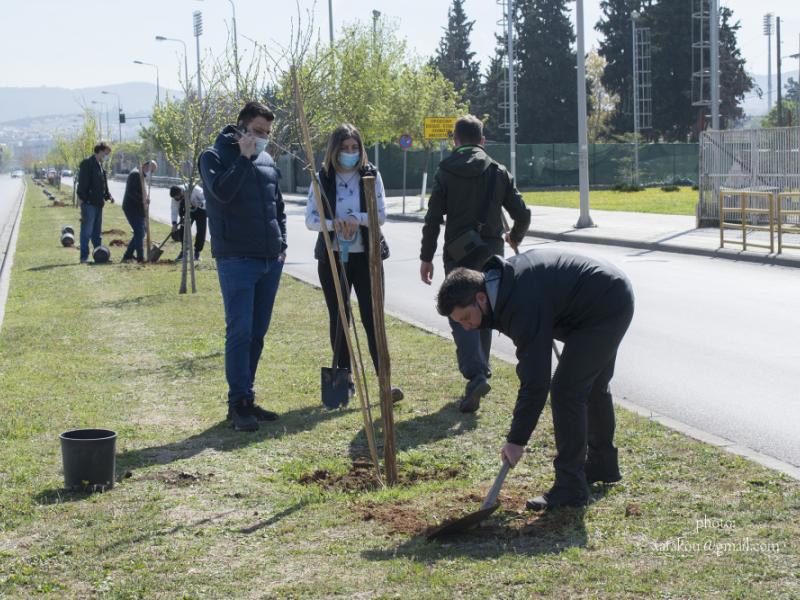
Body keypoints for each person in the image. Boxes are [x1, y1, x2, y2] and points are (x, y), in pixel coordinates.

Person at [436, 248, 635, 511]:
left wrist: (516, 440)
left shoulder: (519, 303)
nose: (466, 327)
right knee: (592, 385)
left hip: (606, 304)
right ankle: (602, 465)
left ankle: (570, 489)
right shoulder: (504, 288)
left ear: (480, 298)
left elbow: (535, 380)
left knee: (567, 390)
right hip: (603, 292)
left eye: (465, 318)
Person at [420, 115, 531, 413]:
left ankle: (477, 374)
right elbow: (523, 214)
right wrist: (514, 235)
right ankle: (481, 369)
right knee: (486, 308)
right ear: (482, 141)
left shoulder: (445, 171)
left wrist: (426, 256)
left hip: (457, 255)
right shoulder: (498, 171)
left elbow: (432, 219)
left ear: (455, 141)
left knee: (461, 315)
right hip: (492, 253)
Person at [198, 101, 287, 432]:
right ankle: (237, 404)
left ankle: (248, 397)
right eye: (258, 131)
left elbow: (276, 206)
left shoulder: (267, 159)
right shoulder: (214, 156)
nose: (263, 138)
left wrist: (283, 245)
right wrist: (244, 158)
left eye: (267, 133)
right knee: (240, 331)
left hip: (269, 259)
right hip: (236, 259)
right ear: (241, 129)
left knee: (258, 333)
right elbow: (221, 193)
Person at [306, 123, 403, 404]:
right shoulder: (322, 178)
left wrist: (356, 219)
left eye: (355, 148)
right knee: (340, 319)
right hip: (334, 258)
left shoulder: (370, 175)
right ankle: (342, 386)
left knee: (373, 320)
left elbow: (381, 215)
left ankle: (385, 383)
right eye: (344, 148)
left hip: (368, 258)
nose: (350, 153)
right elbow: (311, 220)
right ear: (334, 150)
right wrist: (333, 224)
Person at [77, 142, 114, 263]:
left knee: (97, 233)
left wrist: (108, 196)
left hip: (99, 203)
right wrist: (82, 199)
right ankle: (84, 257)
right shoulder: (88, 163)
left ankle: (99, 255)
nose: (107, 156)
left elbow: (103, 184)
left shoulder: (100, 166)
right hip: (89, 204)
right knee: (86, 232)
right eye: (106, 153)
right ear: (100, 151)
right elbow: (82, 183)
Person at [121, 160, 157, 263]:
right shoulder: (135, 174)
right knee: (139, 231)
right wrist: (143, 200)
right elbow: (131, 192)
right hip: (131, 208)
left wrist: (145, 200)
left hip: (139, 209)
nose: (152, 173)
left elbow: (141, 192)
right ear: (146, 166)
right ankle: (140, 257)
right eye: (152, 170)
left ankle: (128, 255)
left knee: (141, 232)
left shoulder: (141, 175)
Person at [169, 184, 207, 261]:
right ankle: (184, 252)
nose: (177, 200)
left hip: (201, 210)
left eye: (178, 197)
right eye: (176, 199)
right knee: (183, 230)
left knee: (201, 231)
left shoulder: (195, 190)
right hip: (187, 211)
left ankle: (197, 252)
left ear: (181, 193)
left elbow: (207, 200)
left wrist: (200, 204)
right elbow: (174, 209)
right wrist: (174, 223)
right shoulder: (175, 197)